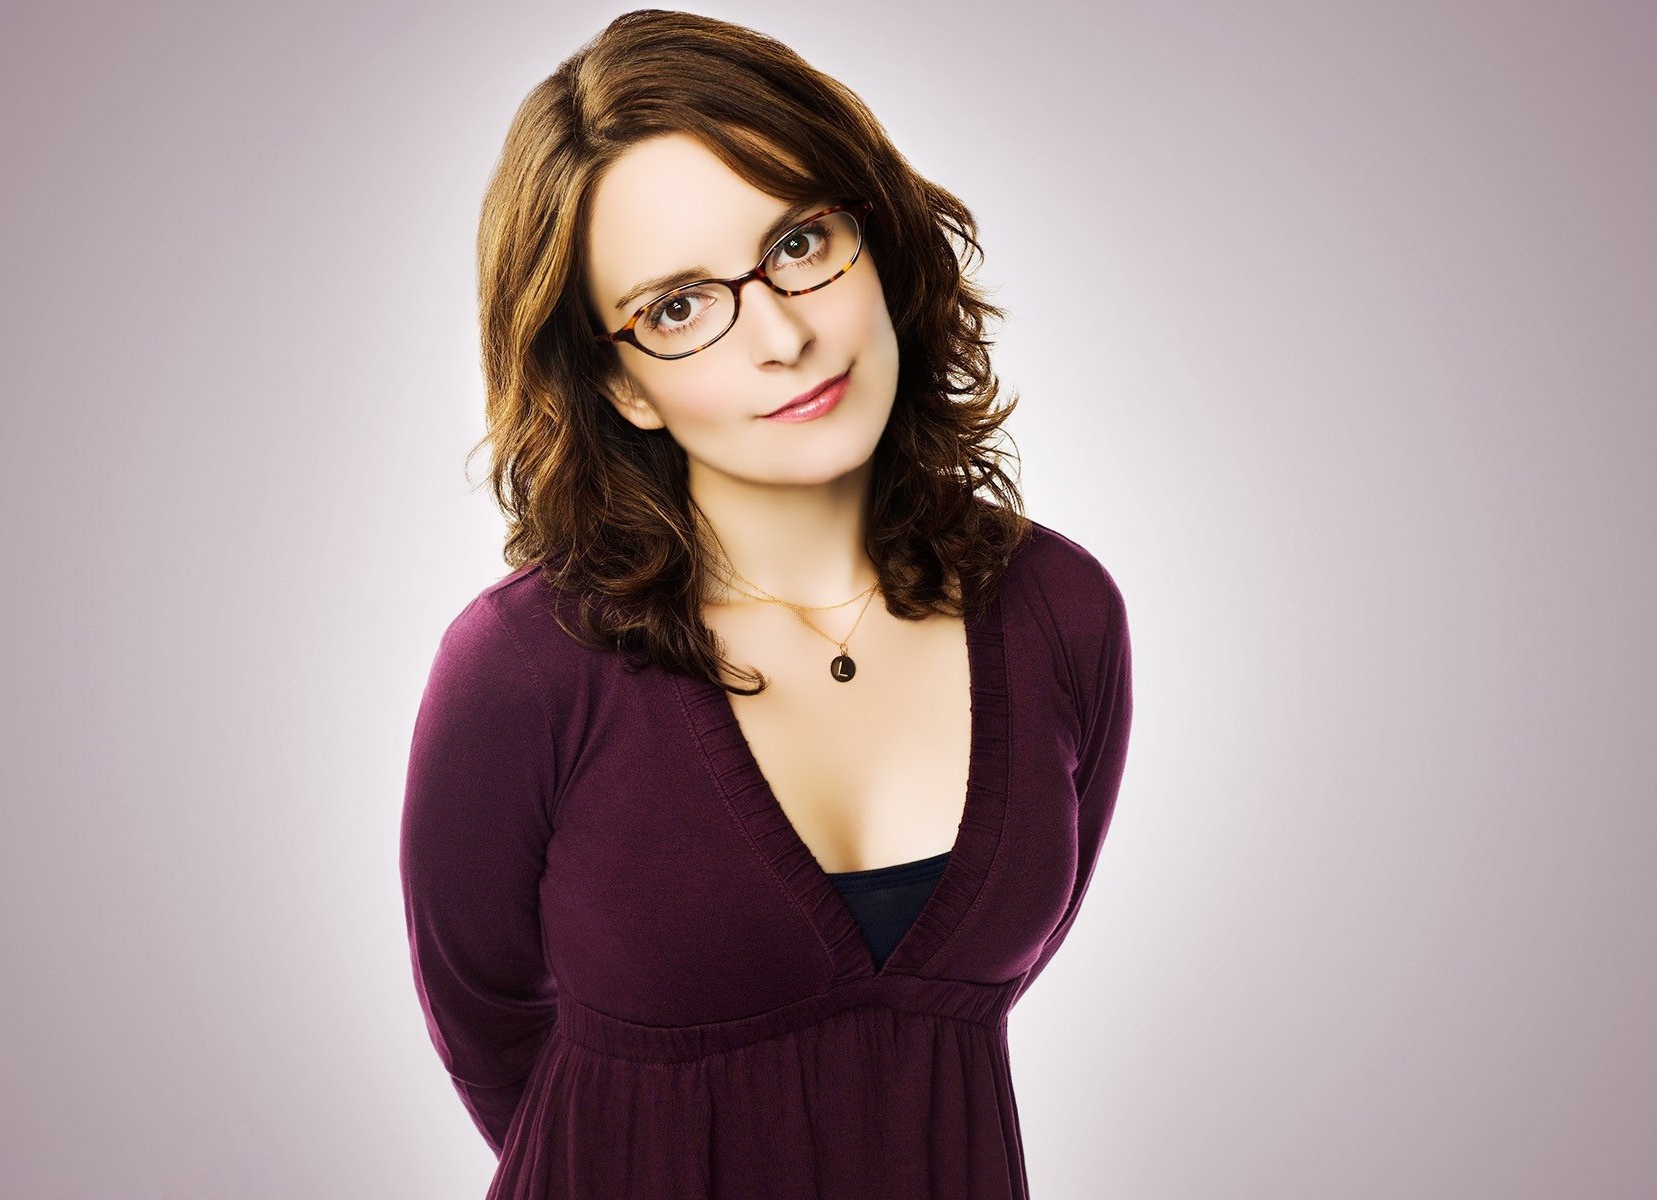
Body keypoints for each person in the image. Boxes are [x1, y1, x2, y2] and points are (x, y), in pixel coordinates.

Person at [399, 10, 1136, 1198]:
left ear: (877, 239)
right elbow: (484, 1018)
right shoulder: (524, 665)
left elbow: (943, 1024)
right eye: (678, 307)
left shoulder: (1061, 611)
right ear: (621, 387)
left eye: (799, 242)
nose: (784, 335)